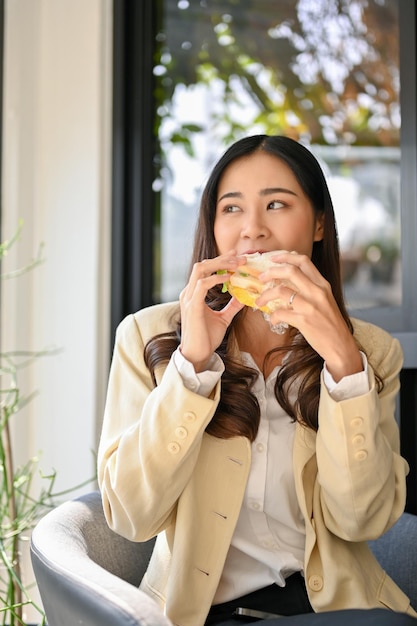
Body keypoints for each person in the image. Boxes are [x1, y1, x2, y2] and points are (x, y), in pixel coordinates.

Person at [98, 135, 416, 626]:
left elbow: (363, 521)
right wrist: (193, 365)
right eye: (231, 208)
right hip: (204, 615)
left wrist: (342, 364)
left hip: (334, 611)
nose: (253, 231)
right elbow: (130, 516)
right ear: (213, 227)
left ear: (318, 224)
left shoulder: (371, 352)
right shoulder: (147, 337)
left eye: (276, 204)